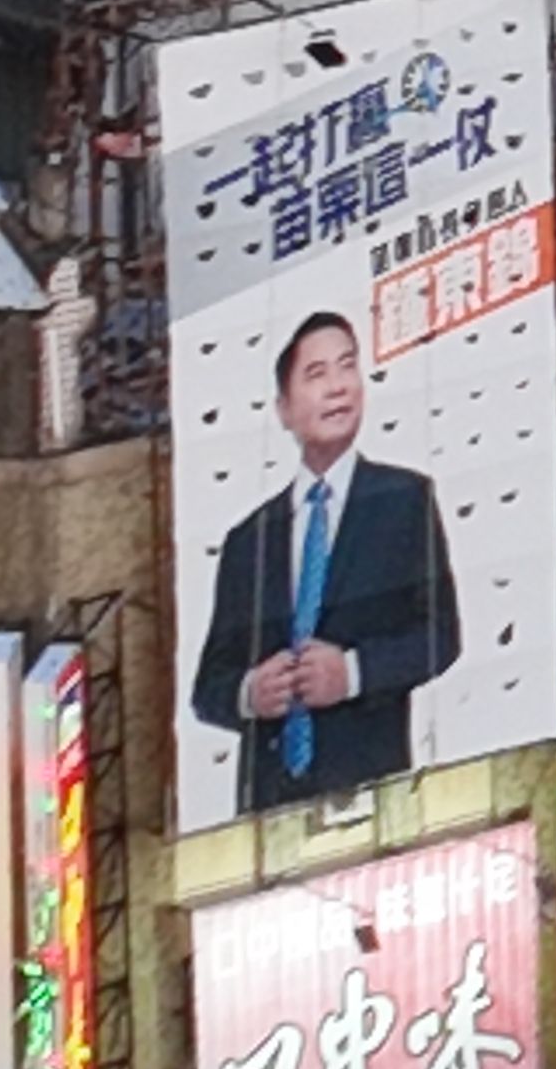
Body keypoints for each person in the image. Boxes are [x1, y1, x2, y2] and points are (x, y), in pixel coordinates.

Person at [189, 307, 464, 806]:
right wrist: (250, 692)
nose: (338, 387)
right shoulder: (248, 540)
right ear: (284, 409)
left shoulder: (404, 500)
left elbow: (439, 637)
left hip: (370, 791)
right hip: (269, 805)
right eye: (316, 374)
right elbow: (208, 688)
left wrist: (353, 674)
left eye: (348, 366)